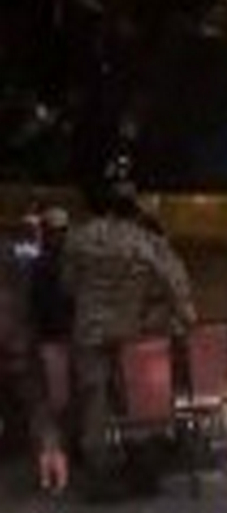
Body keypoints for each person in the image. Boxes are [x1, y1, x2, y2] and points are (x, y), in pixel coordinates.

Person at [62, 157, 197, 493]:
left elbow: (67, 283)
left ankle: (99, 467)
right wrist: (182, 316)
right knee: (138, 394)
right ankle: (142, 456)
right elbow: (172, 281)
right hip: (132, 330)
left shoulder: (78, 239)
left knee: (94, 397)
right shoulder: (143, 241)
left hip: (89, 329)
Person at [0, 252, 69, 493]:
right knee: (38, 407)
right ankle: (52, 464)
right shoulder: (16, 291)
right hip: (20, 350)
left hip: (17, 348)